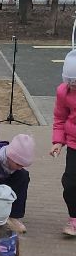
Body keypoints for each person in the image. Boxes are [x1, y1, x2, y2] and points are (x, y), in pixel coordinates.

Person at [0, 133, 35, 232]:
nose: (19, 167)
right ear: (9, 156)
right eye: (18, 164)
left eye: (22, 165)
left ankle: (13, 216)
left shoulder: (15, 167)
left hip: (3, 180)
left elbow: (18, 170)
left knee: (23, 175)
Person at [50, 46, 76, 237]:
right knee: (70, 182)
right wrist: (58, 142)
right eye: (70, 83)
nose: (73, 86)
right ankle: (74, 218)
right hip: (74, 144)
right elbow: (60, 118)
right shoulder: (63, 92)